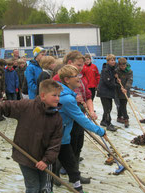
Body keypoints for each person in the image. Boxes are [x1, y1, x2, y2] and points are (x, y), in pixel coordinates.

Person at [0, 79, 63, 193]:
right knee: (33, 187)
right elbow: (4, 106)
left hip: (43, 159)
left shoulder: (57, 118)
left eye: (58, 95)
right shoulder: (26, 106)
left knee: (42, 187)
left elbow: (55, 142)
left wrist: (46, 160)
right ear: (43, 95)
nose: (57, 98)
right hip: (25, 156)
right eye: (54, 95)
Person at [56, 65, 106, 193]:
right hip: (57, 137)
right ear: (67, 79)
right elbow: (81, 119)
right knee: (59, 161)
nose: (79, 78)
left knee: (71, 164)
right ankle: (53, 181)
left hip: (64, 136)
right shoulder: (66, 98)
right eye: (76, 76)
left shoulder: (68, 94)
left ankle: (77, 187)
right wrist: (100, 131)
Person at [53, 51, 97, 184]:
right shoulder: (57, 79)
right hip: (65, 120)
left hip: (79, 118)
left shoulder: (81, 78)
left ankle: (75, 174)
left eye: (82, 65)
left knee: (78, 146)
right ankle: (56, 175)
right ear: (70, 63)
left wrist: (91, 110)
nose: (82, 68)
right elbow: (54, 100)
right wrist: (72, 99)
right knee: (66, 148)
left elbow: (88, 96)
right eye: (79, 65)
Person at [97, 54, 117, 132]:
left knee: (108, 108)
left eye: (114, 60)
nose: (113, 62)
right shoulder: (105, 70)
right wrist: (117, 86)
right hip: (104, 92)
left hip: (109, 92)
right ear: (108, 61)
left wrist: (116, 77)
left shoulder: (113, 69)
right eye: (111, 60)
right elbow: (108, 82)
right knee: (107, 108)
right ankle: (108, 124)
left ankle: (103, 121)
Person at [115, 57, 133, 128]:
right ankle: (121, 117)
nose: (123, 67)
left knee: (123, 104)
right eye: (121, 66)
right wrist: (116, 79)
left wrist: (126, 88)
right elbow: (115, 80)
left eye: (124, 66)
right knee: (119, 104)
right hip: (118, 90)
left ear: (126, 65)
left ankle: (125, 118)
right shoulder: (117, 70)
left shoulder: (129, 71)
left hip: (126, 90)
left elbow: (130, 80)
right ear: (119, 65)